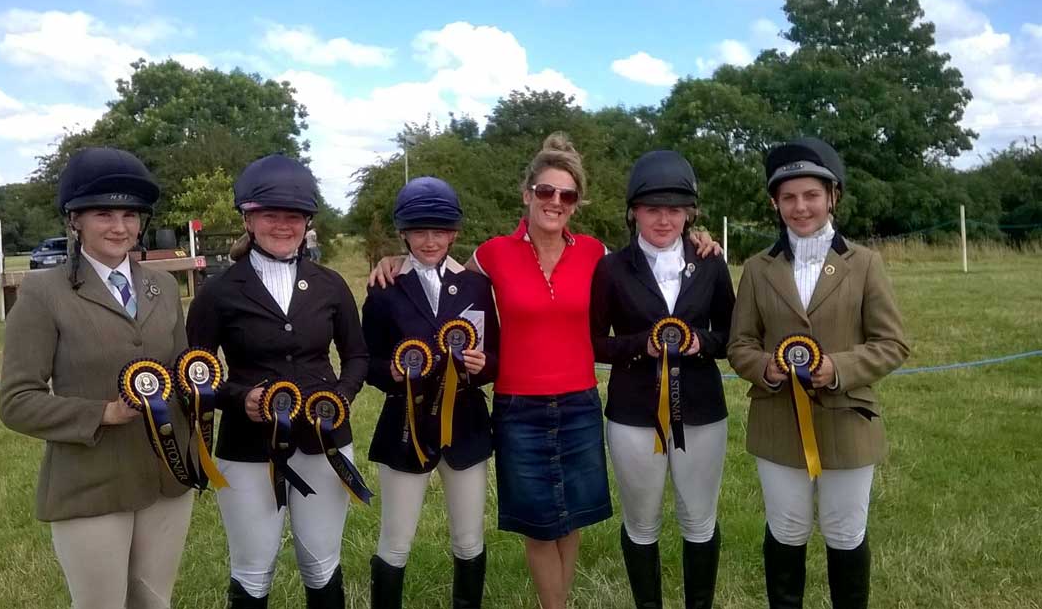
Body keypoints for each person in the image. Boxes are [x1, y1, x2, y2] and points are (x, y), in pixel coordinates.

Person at [370, 134, 720, 609]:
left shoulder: (596, 253)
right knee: (538, 523)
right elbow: (445, 271)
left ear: (576, 203)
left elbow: (647, 255)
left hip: (579, 402)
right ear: (527, 193)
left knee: (571, 519)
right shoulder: (494, 252)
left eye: (567, 195)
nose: (555, 202)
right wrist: (398, 261)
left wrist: (698, 239)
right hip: (518, 407)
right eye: (545, 191)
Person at [0, 147, 193, 609]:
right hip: (90, 484)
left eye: (130, 214)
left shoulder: (162, 286)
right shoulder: (44, 293)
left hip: (168, 476)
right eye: (103, 213)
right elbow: (17, 401)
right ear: (74, 221)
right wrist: (104, 412)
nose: (120, 227)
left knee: (154, 603)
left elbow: (184, 369)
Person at [728, 137, 909, 609]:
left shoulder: (865, 264)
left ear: (833, 197)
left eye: (811, 195)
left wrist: (838, 368)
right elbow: (739, 343)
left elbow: (892, 343)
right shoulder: (756, 268)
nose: (800, 206)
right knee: (786, 529)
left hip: (849, 421)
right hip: (777, 424)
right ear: (775, 203)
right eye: (788, 197)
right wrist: (765, 368)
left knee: (846, 532)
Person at [186, 154, 369, 608]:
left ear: (307, 221)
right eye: (270, 215)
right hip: (247, 448)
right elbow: (194, 372)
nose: (283, 226)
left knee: (321, 563)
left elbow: (357, 355)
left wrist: (340, 398)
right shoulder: (219, 292)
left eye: (294, 216)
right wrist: (236, 397)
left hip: (324, 443)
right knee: (252, 568)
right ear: (248, 219)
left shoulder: (329, 285)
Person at [590, 150, 734, 609]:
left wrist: (700, 343)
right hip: (634, 414)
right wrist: (639, 345)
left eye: (674, 209)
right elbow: (594, 342)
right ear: (634, 211)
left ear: (689, 213)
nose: (664, 219)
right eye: (653, 209)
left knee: (699, 520)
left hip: (702, 411)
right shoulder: (611, 268)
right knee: (642, 522)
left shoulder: (710, 261)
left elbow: (731, 335)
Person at [361, 176, 500, 608]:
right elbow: (368, 363)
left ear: (454, 233)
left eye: (439, 231)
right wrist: (396, 373)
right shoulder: (384, 289)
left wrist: (483, 366)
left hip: (466, 425)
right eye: (420, 230)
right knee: (396, 540)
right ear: (404, 233)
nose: (430, 240)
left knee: (468, 538)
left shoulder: (477, 286)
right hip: (406, 425)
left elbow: (494, 355)